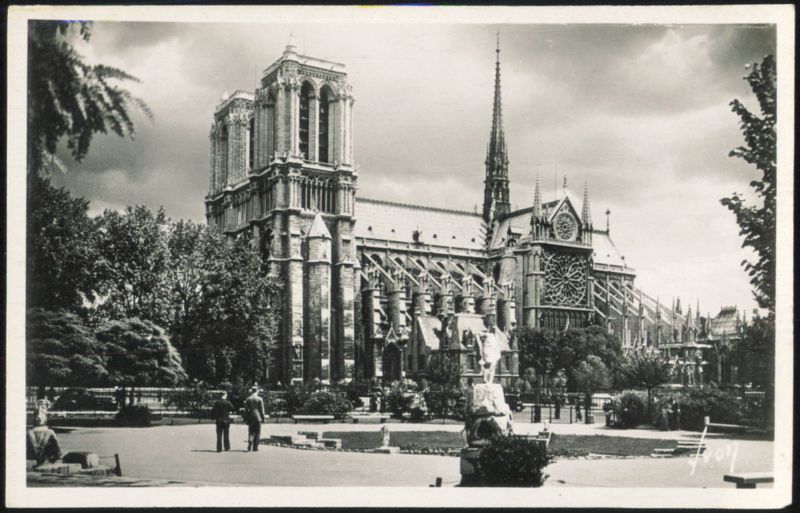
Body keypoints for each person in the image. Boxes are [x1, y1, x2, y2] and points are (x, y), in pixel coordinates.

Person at [244, 386, 266, 452]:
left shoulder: (248, 399)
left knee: (251, 431)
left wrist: (246, 418)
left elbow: (246, 410)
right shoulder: (260, 399)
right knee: (257, 433)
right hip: (258, 417)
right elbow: (262, 410)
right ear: (257, 391)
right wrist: (263, 418)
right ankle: (255, 447)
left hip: (251, 417)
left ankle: (250, 440)